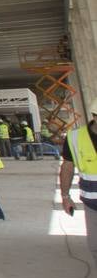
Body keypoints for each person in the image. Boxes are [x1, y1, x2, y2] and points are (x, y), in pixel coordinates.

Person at [59, 111, 97, 268]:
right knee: (95, 247)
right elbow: (67, 167)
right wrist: (65, 196)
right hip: (92, 204)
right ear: (94, 116)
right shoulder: (75, 137)